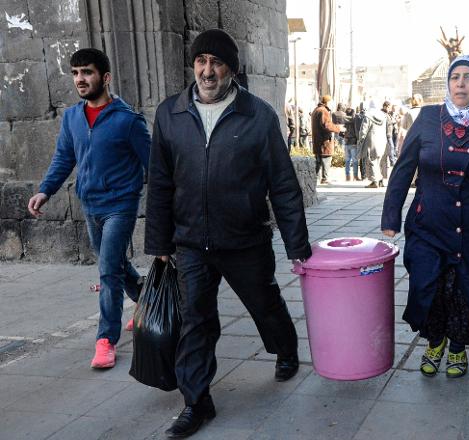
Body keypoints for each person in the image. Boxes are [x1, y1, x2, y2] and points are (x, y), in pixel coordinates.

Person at [144, 29, 312, 438]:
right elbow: (161, 182)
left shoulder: (258, 115)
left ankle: (285, 349)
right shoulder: (170, 114)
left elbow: (283, 184)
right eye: (201, 61)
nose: (207, 70)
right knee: (195, 321)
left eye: (216, 62)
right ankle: (196, 401)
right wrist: (159, 242)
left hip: (245, 239)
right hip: (190, 244)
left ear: (231, 69)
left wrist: (297, 245)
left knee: (266, 303)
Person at [381, 55, 469, 378]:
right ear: (448, 83)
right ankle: (434, 341)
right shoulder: (429, 118)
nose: (460, 82)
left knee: (463, 290)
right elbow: (403, 170)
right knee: (427, 285)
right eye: (455, 76)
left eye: (468, 77)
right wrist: (391, 217)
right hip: (428, 223)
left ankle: (456, 346)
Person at [27, 48, 149, 370]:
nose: (80, 79)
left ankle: (105, 339)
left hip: (121, 204)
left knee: (108, 270)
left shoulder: (128, 120)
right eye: (76, 73)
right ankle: (147, 299)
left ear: (105, 77)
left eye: (88, 72)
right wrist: (45, 190)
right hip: (90, 203)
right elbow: (64, 158)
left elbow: (154, 164)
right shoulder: (71, 118)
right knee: (116, 263)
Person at [311, 95, 344, 184]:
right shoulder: (323, 111)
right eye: (331, 102)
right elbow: (327, 125)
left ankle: (315, 179)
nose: (333, 104)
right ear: (327, 102)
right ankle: (325, 178)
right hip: (324, 141)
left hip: (318, 141)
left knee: (318, 161)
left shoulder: (316, 110)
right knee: (326, 159)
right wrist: (338, 128)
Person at [357, 102, 389, 188]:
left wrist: (360, 140)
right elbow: (387, 129)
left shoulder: (368, 116)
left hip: (371, 141)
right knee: (381, 160)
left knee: (371, 160)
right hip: (382, 140)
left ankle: (374, 181)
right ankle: (381, 180)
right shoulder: (384, 116)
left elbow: (363, 130)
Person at [343, 107, 360, 181]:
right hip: (353, 141)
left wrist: (344, 136)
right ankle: (355, 176)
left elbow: (341, 130)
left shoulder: (344, 119)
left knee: (347, 160)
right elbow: (357, 130)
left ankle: (347, 176)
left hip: (346, 141)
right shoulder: (355, 120)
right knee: (355, 160)